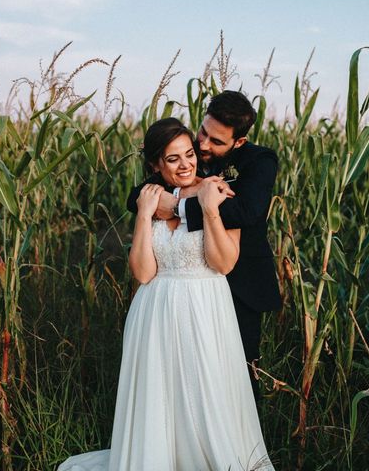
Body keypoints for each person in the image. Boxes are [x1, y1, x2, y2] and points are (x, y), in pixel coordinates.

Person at [58, 118, 273, 470]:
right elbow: (143, 272)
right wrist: (144, 216)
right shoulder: (150, 198)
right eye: (173, 159)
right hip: (154, 311)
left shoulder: (217, 190)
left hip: (204, 306)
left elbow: (224, 263)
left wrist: (208, 209)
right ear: (155, 164)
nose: (186, 164)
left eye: (189, 154)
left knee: (203, 392)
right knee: (159, 396)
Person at [127, 91, 281, 400]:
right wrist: (156, 202)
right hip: (178, 290)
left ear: (238, 142)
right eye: (203, 132)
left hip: (240, 283)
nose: (204, 145)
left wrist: (178, 206)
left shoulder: (259, 161)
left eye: (216, 141)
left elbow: (246, 211)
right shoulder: (188, 151)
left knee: (237, 375)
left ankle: (239, 446)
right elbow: (136, 197)